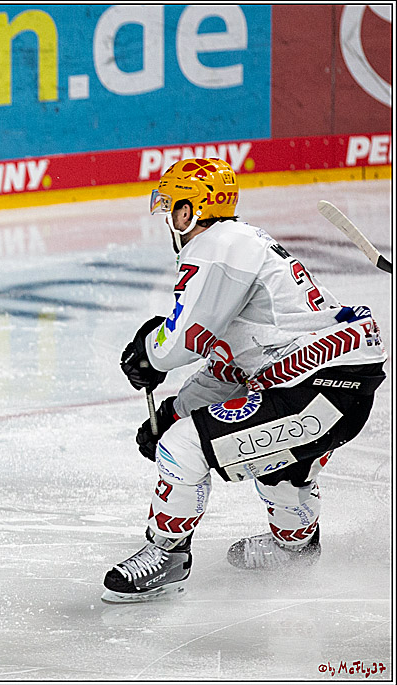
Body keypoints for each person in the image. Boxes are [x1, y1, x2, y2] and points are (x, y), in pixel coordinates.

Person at [103, 158, 387, 603]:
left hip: (317, 394)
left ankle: (168, 556)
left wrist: (150, 354)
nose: (170, 220)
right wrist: (177, 409)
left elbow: (181, 340)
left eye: (173, 207)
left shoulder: (216, 245)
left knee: (184, 444)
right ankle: (294, 549)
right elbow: (234, 362)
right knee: (278, 464)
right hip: (330, 391)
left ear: (190, 211)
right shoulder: (244, 244)